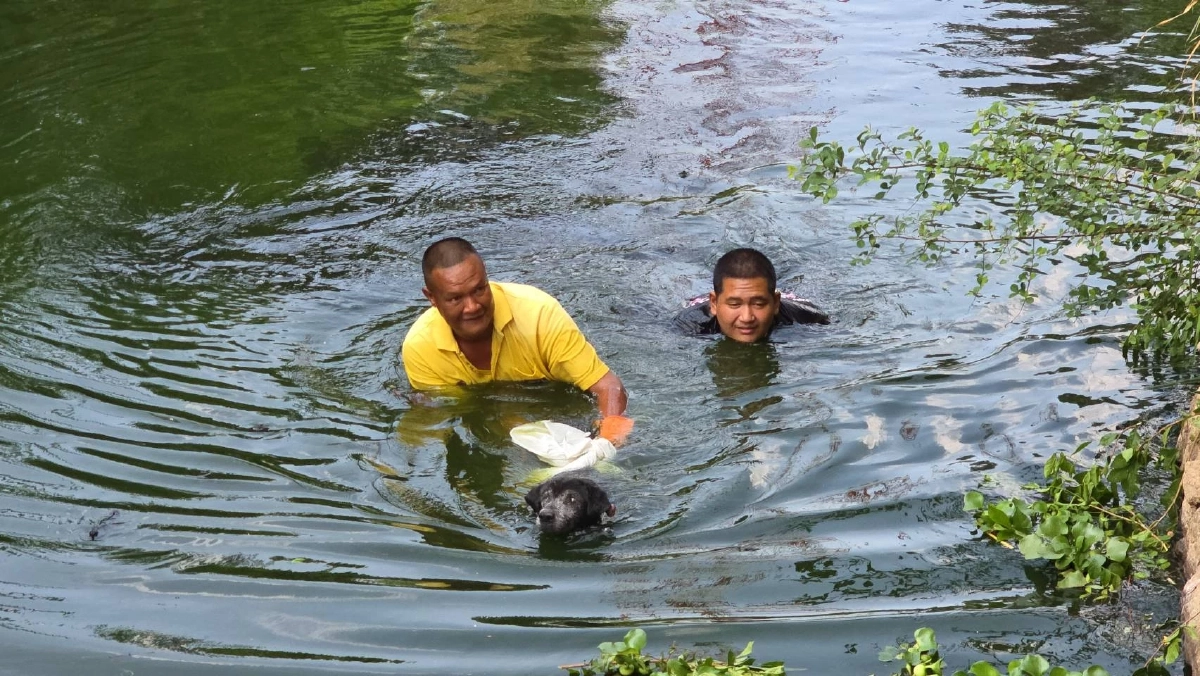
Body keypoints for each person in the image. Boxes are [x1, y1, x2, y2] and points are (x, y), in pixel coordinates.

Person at [401, 237, 632, 444]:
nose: (472, 306)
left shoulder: (540, 315)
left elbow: (609, 386)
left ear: (486, 276)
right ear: (431, 297)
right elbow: (452, 414)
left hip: (560, 404)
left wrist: (606, 443)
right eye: (455, 298)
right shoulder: (421, 347)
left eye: (479, 289)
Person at [673, 248, 830, 342]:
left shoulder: (811, 319)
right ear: (714, 303)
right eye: (734, 304)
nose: (747, 318)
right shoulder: (689, 327)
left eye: (758, 304)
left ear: (776, 303)